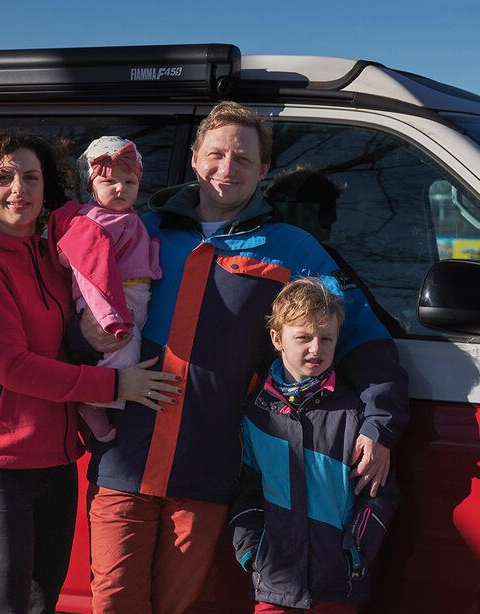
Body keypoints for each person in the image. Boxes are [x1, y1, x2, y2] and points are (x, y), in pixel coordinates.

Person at [76, 101, 409, 614]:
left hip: (206, 468)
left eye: (243, 158)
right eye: (215, 154)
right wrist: (83, 335)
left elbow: (360, 335)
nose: (227, 168)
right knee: (114, 604)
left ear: (265, 169)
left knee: (176, 608)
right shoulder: (140, 229)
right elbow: (72, 302)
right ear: (194, 157)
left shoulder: (291, 248)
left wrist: (380, 424)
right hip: (125, 457)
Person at [0, 129, 177, 614]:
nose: (18, 190)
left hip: (56, 461)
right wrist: (115, 383)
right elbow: (14, 368)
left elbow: (68, 343)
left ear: (47, 188)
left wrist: (92, 338)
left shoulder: (54, 258)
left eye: (31, 178)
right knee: (3, 606)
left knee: (41, 604)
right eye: (4, 178)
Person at [231, 277, 399, 613]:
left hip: (337, 583)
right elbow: (244, 492)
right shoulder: (256, 414)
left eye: (326, 338)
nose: (316, 349)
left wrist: (354, 554)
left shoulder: (353, 415)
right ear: (277, 339)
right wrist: (251, 551)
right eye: (304, 338)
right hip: (274, 583)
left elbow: (378, 494)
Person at [50, 136, 162, 443]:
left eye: (130, 182)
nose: (120, 188)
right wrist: (109, 316)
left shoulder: (123, 217)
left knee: (128, 349)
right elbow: (90, 272)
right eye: (109, 182)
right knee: (123, 351)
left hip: (129, 296)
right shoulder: (93, 222)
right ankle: (93, 403)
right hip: (110, 298)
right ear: (91, 186)